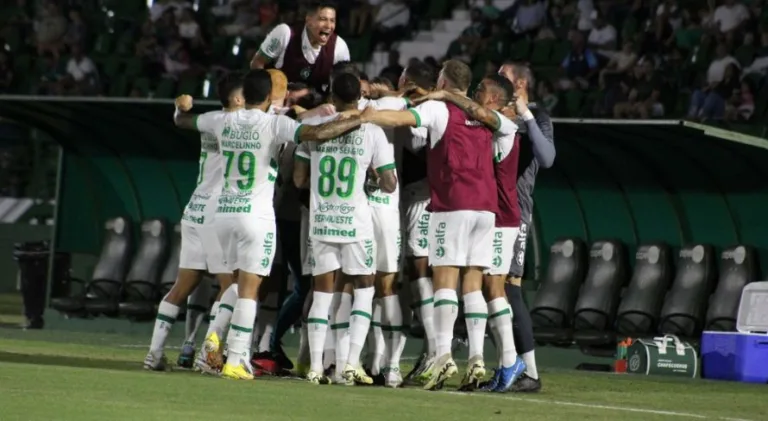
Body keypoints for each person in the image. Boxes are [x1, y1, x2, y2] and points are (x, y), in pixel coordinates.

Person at [174, 69, 366, 380]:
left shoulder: (220, 119)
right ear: (266, 97)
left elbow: (183, 121)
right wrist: (358, 119)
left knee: (234, 285)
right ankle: (235, 357)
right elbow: (315, 135)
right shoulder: (275, 124)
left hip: (222, 215)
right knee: (250, 290)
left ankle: (214, 339)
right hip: (256, 217)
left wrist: (180, 106)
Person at [357, 60, 517, 391]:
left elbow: (403, 118)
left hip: (453, 203)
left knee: (445, 280)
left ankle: (442, 356)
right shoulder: (491, 118)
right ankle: (476, 359)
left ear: (443, 80)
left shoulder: (439, 110)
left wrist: (370, 115)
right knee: (473, 283)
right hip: (486, 209)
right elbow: (504, 125)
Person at [293, 72, 398, 385]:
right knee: (364, 290)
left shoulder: (313, 129)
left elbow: (298, 179)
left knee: (322, 295)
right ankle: (348, 364)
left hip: (322, 220)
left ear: (331, 97)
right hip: (356, 223)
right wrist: (372, 179)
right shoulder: (373, 131)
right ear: (359, 98)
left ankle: (314, 366)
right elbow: (390, 184)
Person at [143, 72, 242, 372]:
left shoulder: (210, 119)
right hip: (217, 213)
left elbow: (180, 121)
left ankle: (154, 353)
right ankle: (209, 355)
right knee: (232, 285)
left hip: (195, 208)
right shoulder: (239, 123)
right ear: (237, 98)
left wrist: (179, 108)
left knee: (183, 285)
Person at [498, 62, 556, 393]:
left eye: (503, 77)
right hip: (485, 211)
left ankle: (530, 372)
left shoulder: (540, 118)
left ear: (520, 83)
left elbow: (547, 158)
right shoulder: (494, 113)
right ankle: (502, 365)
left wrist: (526, 116)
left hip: (515, 214)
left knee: (510, 288)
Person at [251, 2, 350, 95]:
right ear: (308, 20)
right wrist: (268, 93)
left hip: (317, 107)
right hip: (278, 104)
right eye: (323, 19)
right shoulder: (284, 33)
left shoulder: (339, 47)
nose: (329, 26)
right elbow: (257, 63)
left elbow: (344, 87)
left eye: (332, 20)